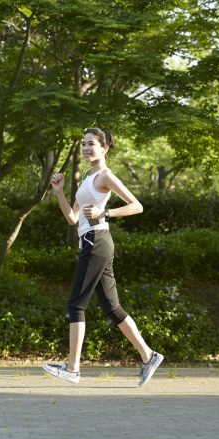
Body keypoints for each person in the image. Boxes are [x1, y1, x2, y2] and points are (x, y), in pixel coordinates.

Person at [42, 128, 164, 386]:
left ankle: (72, 368)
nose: (86, 148)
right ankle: (149, 356)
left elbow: (137, 206)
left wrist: (105, 213)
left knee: (76, 304)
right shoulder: (88, 176)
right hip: (92, 242)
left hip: (97, 241)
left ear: (105, 148)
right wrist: (60, 192)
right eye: (84, 144)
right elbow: (73, 219)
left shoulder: (105, 175)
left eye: (92, 144)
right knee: (111, 307)